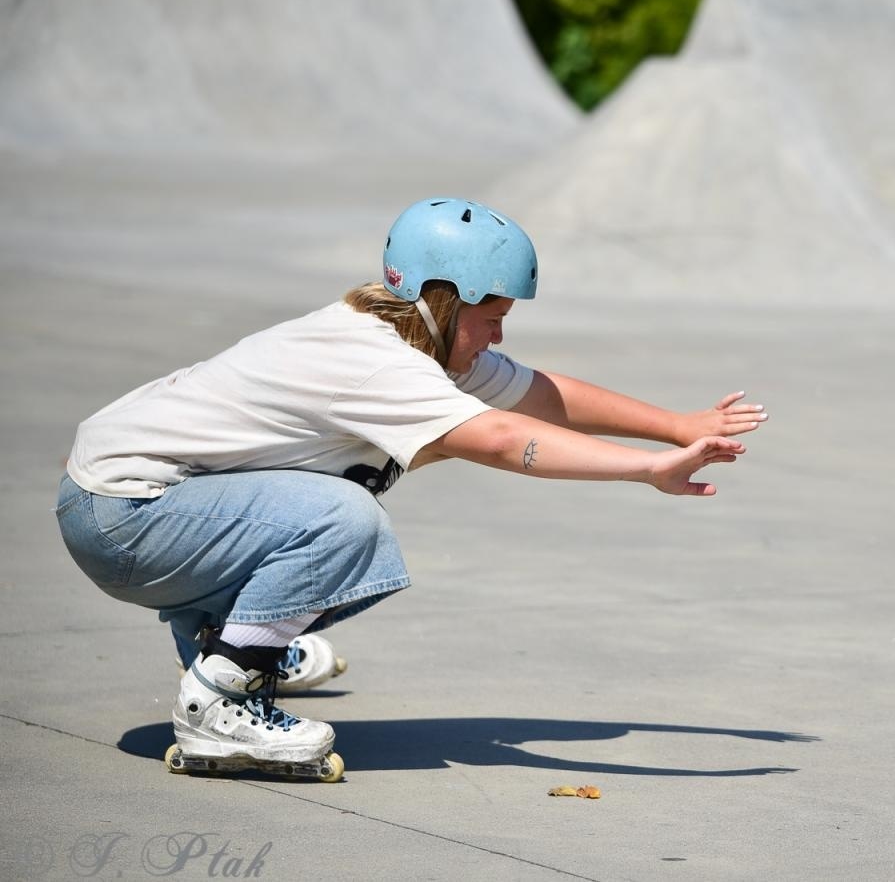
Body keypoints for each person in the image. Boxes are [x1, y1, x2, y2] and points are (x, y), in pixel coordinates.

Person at [57, 197, 766, 775]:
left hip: (132, 506)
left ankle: (240, 644)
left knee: (332, 505)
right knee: (342, 519)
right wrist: (646, 470)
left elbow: (541, 396)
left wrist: (675, 426)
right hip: (124, 514)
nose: (497, 339)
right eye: (492, 320)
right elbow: (500, 438)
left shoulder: (411, 338)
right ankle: (219, 696)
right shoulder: (376, 363)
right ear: (444, 301)